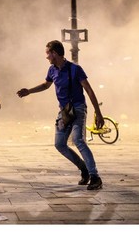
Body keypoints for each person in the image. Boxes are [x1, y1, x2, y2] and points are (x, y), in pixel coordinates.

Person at [16, 40, 103, 190]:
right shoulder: (52, 70)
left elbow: (88, 90)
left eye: (48, 53)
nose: (47, 57)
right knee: (59, 144)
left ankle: (95, 176)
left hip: (78, 108)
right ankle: (84, 169)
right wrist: (29, 91)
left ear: (55, 53)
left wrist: (98, 112)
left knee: (78, 139)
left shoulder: (75, 69)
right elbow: (45, 85)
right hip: (64, 111)